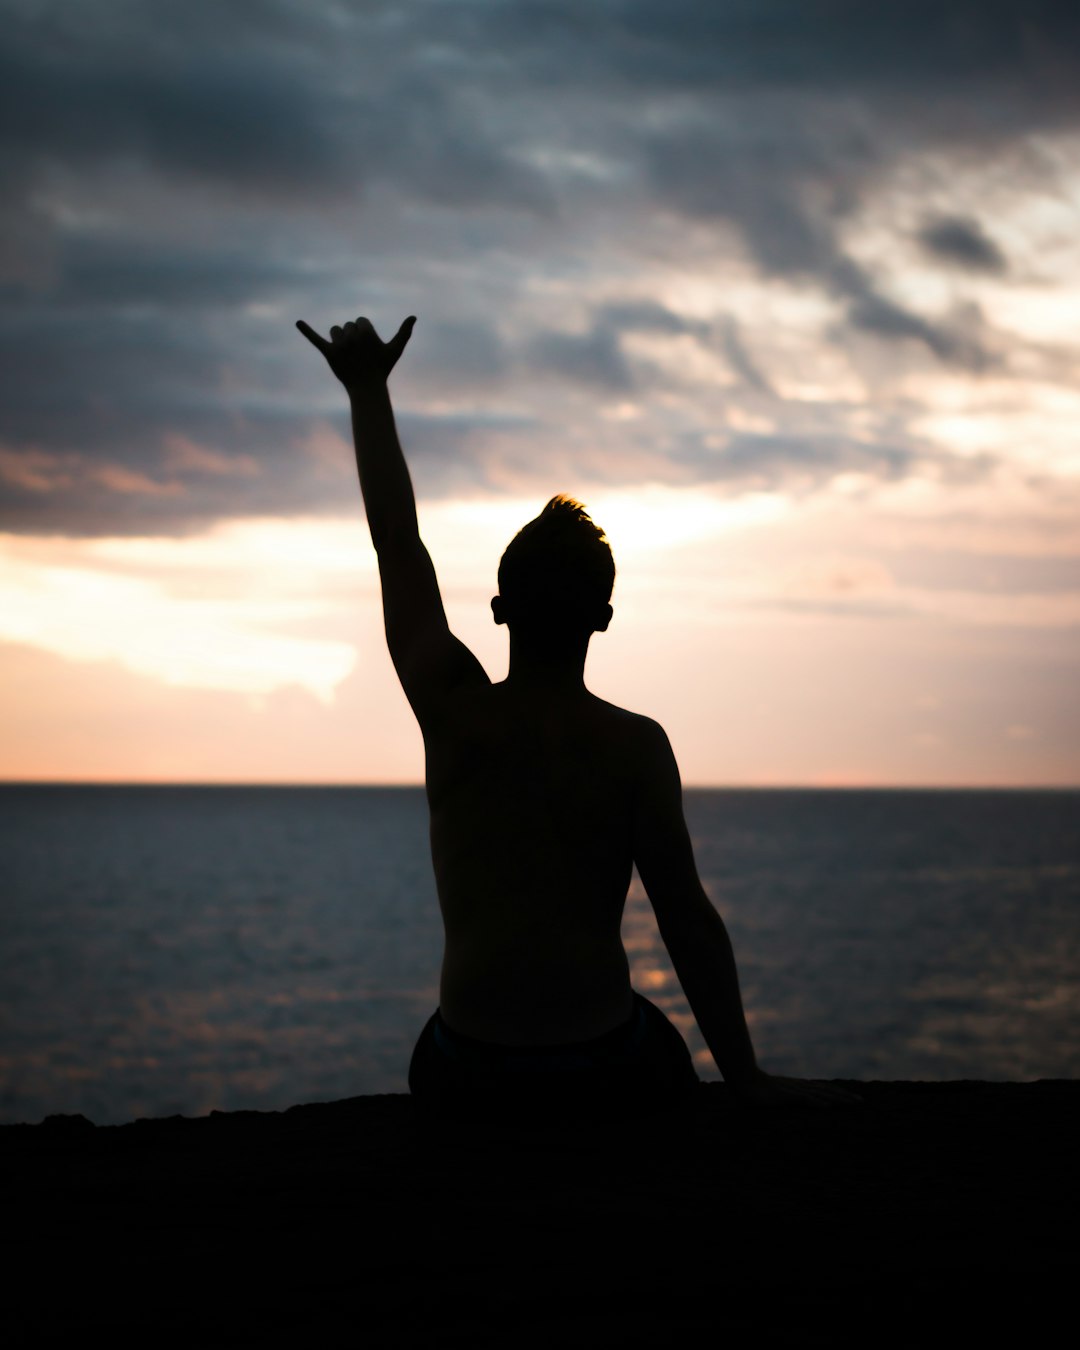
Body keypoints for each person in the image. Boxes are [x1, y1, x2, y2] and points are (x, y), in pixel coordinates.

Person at [297, 312, 859, 1120]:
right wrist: (747, 1079)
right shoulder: (634, 747)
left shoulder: (453, 711)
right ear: (602, 617)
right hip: (599, 1063)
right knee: (659, 1047)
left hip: (470, 1066)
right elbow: (686, 919)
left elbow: (397, 543)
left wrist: (368, 393)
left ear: (498, 610)